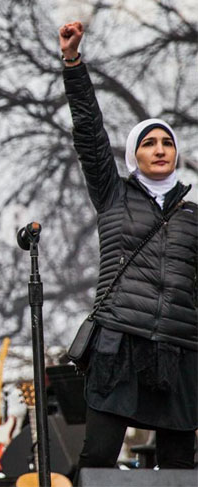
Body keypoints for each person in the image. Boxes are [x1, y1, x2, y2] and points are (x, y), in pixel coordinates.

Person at [59, 22, 197, 482]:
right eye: (148, 142)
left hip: (179, 348)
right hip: (119, 341)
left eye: (167, 142)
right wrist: (74, 64)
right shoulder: (113, 194)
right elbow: (88, 131)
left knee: (179, 466)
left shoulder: (193, 214)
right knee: (98, 457)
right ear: (133, 154)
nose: (159, 149)